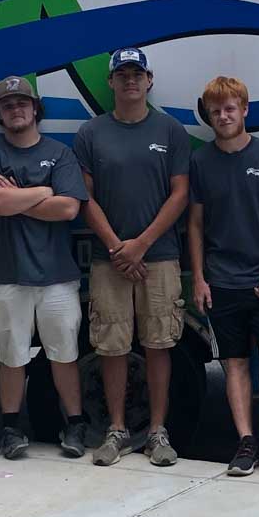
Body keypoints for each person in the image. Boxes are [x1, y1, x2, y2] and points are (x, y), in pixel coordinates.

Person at [73, 48, 190, 468]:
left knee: (159, 345)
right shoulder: (91, 132)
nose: (129, 81)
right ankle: (117, 429)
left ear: (149, 79)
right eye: (121, 75)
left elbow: (180, 193)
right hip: (110, 261)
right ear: (110, 83)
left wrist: (140, 243)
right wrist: (117, 247)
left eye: (136, 74)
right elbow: (84, 196)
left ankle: (158, 431)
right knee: (112, 347)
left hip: (158, 257)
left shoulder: (171, 130)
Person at [0, 76, 91, 460]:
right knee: (12, 355)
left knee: (64, 354)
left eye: (23, 103)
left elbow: (69, 208)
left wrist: (15, 196)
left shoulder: (60, 153)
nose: (16, 109)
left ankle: (74, 425)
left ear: (36, 108)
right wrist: (43, 193)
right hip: (7, 276)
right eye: (8, 105)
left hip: (57, 276)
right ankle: (10, 427)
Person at [189, 76, 259, 478]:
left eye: (230, 108)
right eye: (215, 111)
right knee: (233, 362)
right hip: (220, 280)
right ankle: (246, 442)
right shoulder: (200, 161)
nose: (223, 116)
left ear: (245, 110)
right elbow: (195, 226)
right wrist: (198, 278)